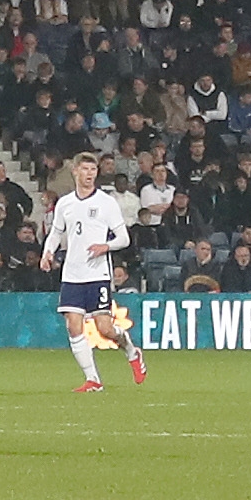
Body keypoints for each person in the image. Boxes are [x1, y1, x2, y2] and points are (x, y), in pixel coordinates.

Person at [41, 149, 143, 393]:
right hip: (72, 275)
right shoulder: (65, 203)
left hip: (98, 275)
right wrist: (48, 253)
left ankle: (131, 350)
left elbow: (124, 238)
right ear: (75, 171)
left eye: (93, 170)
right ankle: (93, 380)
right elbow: (56, 232)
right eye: (85, 169)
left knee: (104, 329)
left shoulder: (106, 203)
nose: (89, 174)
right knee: (73, 325)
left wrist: (105, 246)